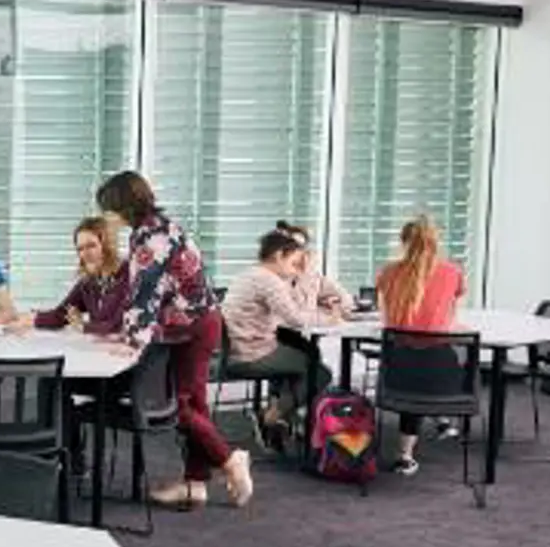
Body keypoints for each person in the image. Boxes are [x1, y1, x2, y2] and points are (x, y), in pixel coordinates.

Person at [96, 170, 252, 509]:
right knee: (194, 403)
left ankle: (229, 459)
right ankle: (195, 485)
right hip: (198, 322)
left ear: (122, 206)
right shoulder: (161, 226)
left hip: (192, 326)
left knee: (177, 405)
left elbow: (145, 297)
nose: (106, 217)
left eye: (108, 209)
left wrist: (130, 342)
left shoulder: (149, 239)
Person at [221, 230, 338, 450]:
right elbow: (297, 319)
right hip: (253, 354)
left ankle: (282, 420)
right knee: (319, 371)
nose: (295, 269)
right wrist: (331, 319)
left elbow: (291, 312)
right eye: (293, 263)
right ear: (278, 256)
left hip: (237, 351)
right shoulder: (268, 281)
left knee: (299, 355)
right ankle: (272, 417)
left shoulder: (249, 275)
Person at [376, 215, 467, 476]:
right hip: (443, 377)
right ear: (436, 243)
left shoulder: (388, 272)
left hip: (396, 369)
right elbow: (451, 318)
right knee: (436, 360)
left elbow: (386, 317)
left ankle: (405, 455)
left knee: (413, 366)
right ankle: (441, 418)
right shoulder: (452, 272)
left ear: (403, 242)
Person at [33, 216, 128, 335]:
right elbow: (60, 314)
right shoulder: (89, 282)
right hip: (102, 345)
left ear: (107, 245)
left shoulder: (128, 275)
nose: (85, 254)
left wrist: (83, 326)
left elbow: (118, 326)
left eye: (91, 246)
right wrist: (27, 318)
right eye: (80, 249)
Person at [274, 220, 351, 317]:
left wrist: (330, 304)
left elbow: (346, 300)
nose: (301, 256)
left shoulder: (312, 277)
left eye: (302, 250)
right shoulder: (271, 279)